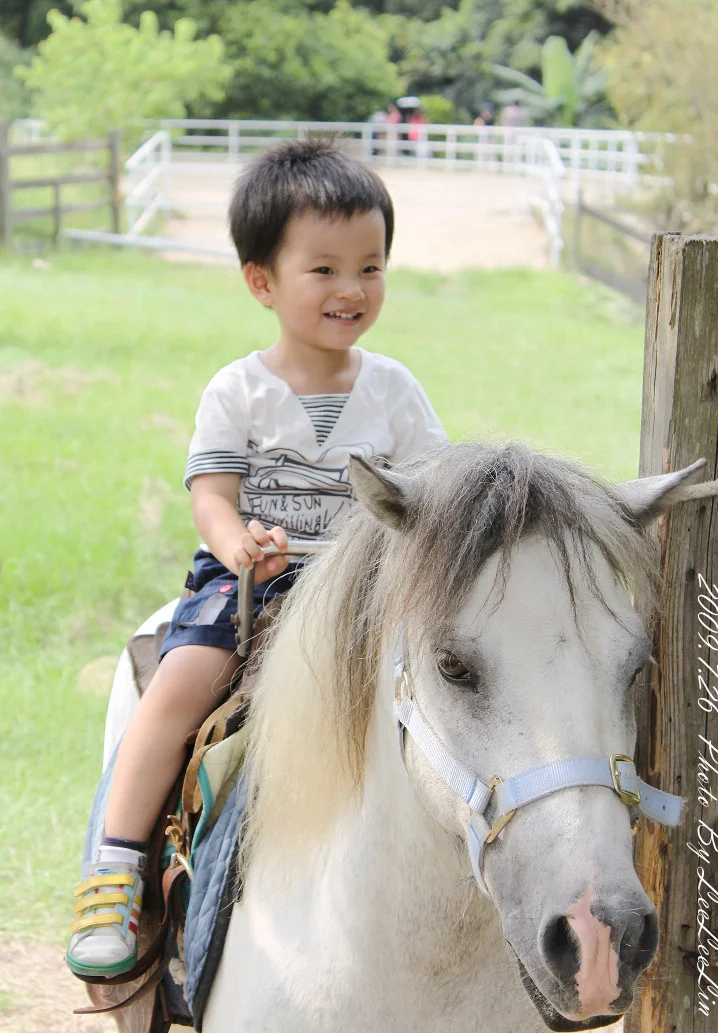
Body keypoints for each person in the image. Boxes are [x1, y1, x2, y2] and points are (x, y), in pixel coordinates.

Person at [66, 138, 448, 978]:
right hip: (255, 584)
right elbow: (211, 493)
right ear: (262, 281)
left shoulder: (395, 390)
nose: (351, 290)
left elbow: (430, 497)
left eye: (371, 268)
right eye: (324, 270)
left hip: (367, 591)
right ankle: (116, 867)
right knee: (175, 690)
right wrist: (235, 541)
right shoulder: (239, 388)